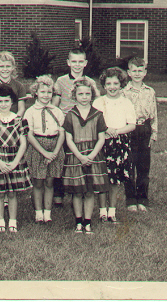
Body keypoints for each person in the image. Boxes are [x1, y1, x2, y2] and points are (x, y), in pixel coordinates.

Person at [51, 48, 98, 208]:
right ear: (68, 62)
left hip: (84, 127)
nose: (77, 65)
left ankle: (80, 191)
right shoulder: (61, 81)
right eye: (74, 61)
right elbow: (55, 105)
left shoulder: (90, 82)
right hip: (66, 125)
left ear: (85, 63)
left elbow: (95, 104)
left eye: (80, 62)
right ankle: (58, 193)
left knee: (80, 160)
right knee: (62, 160)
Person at [62, 77, 108, 235]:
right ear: (75, 95)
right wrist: (80, 157)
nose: (84, 96)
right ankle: (78, 222)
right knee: (77, 191)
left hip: (93, 155)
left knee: (89, 191)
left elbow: (102, 138)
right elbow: (68, 139)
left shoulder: (98, 115)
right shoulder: (70, 115)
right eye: (80, 93)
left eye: (87, 93)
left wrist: (92, 155)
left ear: (92, 95)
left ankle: (88, 223)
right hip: (76, 156)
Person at [0, 85, 31, 233]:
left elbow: (23, 143)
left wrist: (15, 162)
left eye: (6, 101)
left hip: (14, 158)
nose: (3, 104)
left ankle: (12, 221)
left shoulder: (19, 120)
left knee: (12, 193)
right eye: (0, 101)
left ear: (12, 102)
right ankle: (0, 221)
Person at [93, 67, 136, 223]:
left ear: (121, 84)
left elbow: (132, 124)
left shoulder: (126, 102)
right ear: (104, 85)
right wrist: (106, 130)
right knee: (102, 178)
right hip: (101, 142)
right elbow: (94, 124)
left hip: (119, 143)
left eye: (115, 83)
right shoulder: (98, 102)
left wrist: (116, 131)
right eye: (108, 83)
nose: (112, 87)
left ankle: (112, 211)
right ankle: (102, 211)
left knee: (114, 180)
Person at [23, 75, 65, 224]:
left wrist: (54, 152)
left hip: (54, 146)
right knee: (38, 181)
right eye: (42, 92)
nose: (46, 95)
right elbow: (29, 134)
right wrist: (44, 152)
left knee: (49, 181)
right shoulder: (30, 111)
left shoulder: (57, 111)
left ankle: (48, 213)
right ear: (36, 93)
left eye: (49, 92)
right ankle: (38, 212)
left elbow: (62, 133)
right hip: (37, 147)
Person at [122, 57, 158, 212]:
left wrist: (154, 132)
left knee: (143, 166)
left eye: (140, 71)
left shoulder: (150, 92)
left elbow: (154, 114)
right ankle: (130, 199)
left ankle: (142, 198)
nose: (137, 74)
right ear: (129, 73)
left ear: (145, 72)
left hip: (145, 129)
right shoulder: (124, 92)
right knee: (129, 164)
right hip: (129, 129)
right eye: (134, 71)